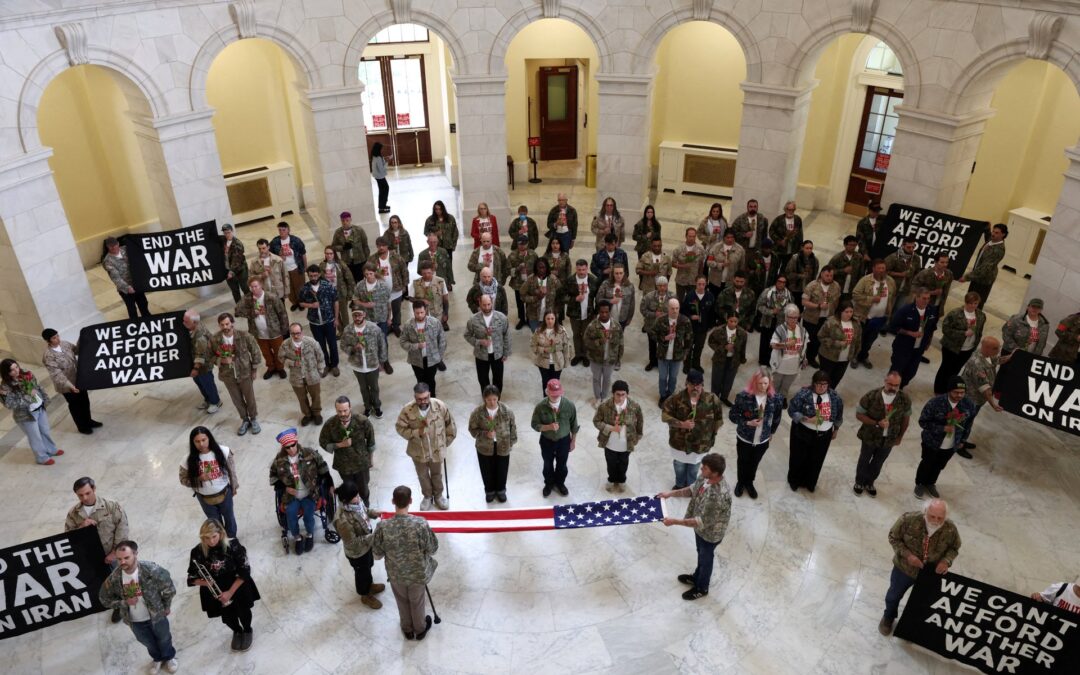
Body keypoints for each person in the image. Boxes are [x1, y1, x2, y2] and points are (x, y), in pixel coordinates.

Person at [879, 499, 961, 636]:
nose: (935, 520)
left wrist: (946, 562)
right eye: (932, 516)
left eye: (940, 518)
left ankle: (911, 624)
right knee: (893, 596)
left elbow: (954, 548)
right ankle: (888, 617)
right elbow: (893, 537)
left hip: (930, 572)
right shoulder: (908, 520)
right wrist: (908, 555)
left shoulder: (950, 529)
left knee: (922, 601)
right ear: (925, 512)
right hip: (904, 568)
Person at [656, 453, 732, 601]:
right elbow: (691, 490)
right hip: (701, 529)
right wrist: (669, 494)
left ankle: (702, 588)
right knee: (701, 553)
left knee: (705, 559)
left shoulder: (717, 495)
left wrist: (674, 521)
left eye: (704, 468)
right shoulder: (705, 477)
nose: (700, 469)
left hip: (710, 533)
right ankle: (696, 576)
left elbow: (700, 521)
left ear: (715, 473)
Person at [98, 540, 178, 673]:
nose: (122, 562)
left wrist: (166, 605)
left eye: (126, 557)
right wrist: (123, 602)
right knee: (147, 642)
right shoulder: (115, 578)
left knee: (164, 638)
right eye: (119, 559)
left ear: (135, 554)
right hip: (135, 621)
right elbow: (103, 598)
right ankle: (157, 658)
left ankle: (169, 656)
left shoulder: (151, 570)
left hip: (157, 615)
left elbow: (169, 588)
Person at [372, 485, 439, 641]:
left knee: (402, 601)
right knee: (417, 601)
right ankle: (420, 629)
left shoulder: (383, 526)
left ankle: (407, 629)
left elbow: (377, 554)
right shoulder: (420, 524)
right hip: (417, 573)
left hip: (396, 573)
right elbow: (432, 548)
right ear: (410, 501)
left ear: (392, 501)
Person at [186, 519, 260, 651]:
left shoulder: (233, 545)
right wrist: (205, 582)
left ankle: (247, 630)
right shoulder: (197, 551)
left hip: (236, 584)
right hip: (215, 589)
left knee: (243, 612)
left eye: (214, 536)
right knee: (227, 617)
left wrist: (230, 592)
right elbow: (191, 578)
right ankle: (237, 631)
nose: (211, 541)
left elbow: (245, 570)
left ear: (220, 533)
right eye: (206, 538)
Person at [65, 476, 129, 623]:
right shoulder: (74, 514)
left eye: (87, 493)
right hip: (92, 556)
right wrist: (81, 526)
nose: (85, 498)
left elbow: (122, 528)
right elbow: (68, 537)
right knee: (105, 581)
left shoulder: (111, 506)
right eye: (80, 495)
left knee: (124, 578)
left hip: (114, 553)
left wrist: (115, 553)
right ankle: (116, 603)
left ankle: (129, 604)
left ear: (94, 489)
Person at [271, 427, 332, 554]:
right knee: (291, 516)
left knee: (309, 515)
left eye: (293, 445)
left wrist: (329, 483)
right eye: (287, 447)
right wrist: (284, 488)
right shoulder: (279, 460)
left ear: (297, 442)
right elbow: (273, 476)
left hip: (309, 494)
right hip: (291, 497)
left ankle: (310, 534)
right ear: (284, 448)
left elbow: (323, 468)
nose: (291, 449)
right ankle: (297, 537)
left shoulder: (310, 453)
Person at [395, 383, 456, 510]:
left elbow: (450, 425)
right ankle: (427, 496)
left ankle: (438, 495)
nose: (423, 401)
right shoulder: (408, 410)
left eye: (425, 398)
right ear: (414, 397)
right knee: (422, 475)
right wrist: (416, 433)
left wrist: (445, 443)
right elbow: (400, 428)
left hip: (436, 449)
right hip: (418, 451)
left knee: (437, 474)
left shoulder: (440, 406)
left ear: (430, 394)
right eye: (419, 399)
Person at [915, 377, 977, 499]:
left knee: (939, 465)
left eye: (962, 392)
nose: (959, 395)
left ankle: (931, 483)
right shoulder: (935, 403)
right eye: (956, 392)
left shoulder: (968, 404)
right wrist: (942, 428)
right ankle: (920, 484)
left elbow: (968, 424)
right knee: (927, 463)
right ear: (949, 391)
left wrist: (962, 441)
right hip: (932, 442)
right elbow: (923, 422)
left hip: (951, 444)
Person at [728, 367, 784, 499]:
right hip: (745, 438)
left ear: (770, 383)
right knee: (743, 461)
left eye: (766, 383)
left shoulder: (776, 399)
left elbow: (776, 418)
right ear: (754, 382)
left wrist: (771, 432)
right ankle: (741, 482)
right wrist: (748, 422)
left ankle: (749, 483)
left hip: (762, 440)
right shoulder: (743, 396)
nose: (763, 386)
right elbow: (732, 415)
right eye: (760, 383)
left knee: (754, 462)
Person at [853, 371, 911, 497]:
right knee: (864, 459)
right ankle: (859, 482)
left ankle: (870, 482)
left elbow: (906, 419)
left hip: (890, 438)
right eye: (890, 384)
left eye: (896, 385)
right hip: (870, 435)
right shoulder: (872, 396)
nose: (893, 388)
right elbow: (859, 415)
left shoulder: (904, 399)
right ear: (885, 382)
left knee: (878, 462)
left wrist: (900, 437)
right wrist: (876, 423)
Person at [662, 370, 723, 489]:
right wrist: (681, 424)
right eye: (692, 384)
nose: (695, 388)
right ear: (686, 384)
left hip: (700, 445)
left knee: (694, 468)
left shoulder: (712, 399)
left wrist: (711, 434)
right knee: (679, 466)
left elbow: (719, 419)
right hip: (680, 443)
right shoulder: (676, 398)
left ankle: (690, 487)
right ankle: (679, 485)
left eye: (698, 385)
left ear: (702, 384)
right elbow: (665, 416)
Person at [786, 370, 844, 493]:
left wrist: (836, 429)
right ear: (813, 383)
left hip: (824, 435)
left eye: (824, 384)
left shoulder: (834, 397)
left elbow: (839, 414)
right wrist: (806, 419)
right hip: (803, 432)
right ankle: (794, 481)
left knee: (816, 459)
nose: (821, 387)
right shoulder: (803, 394)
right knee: (798, 457)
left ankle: (810, 482)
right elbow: (792, 410)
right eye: (818, 384)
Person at [179, 426, 240, 538]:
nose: (201, 444)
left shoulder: (223, 451)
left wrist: (234, 487)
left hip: (224, 493)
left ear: (209, 439)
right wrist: (198, 479)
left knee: (229, 517)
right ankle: (220, 540)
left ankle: (232, 538)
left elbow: (232, 471)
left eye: (203, 440)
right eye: (197, 441)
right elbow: (183, 480)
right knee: (214, 522)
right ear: (192, 442)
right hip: (204, 497)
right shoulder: (187, 459)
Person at [333, 480, 385, 609]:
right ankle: (365, 595)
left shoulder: (355, 501)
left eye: (357, 495)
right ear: (346, 500)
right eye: (355, 496)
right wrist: (373, 536)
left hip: (366, 545)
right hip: (357, 552)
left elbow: (364, 511)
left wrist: (374, 513)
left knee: (368, 566)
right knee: (362, 573)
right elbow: (352, 542)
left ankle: (370, 585)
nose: (358, 497)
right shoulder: (343, 520)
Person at [0, 359, 63, 465]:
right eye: (12, 370)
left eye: (17, 367)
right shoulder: (5, 387)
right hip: (26, 415)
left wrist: (45, 398)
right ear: (6, 373)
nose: (16, 371)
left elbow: (37, 386)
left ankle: (51, 449)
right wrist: (29, 396)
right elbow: (10, 404)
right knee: (35, 437)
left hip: (39, 408)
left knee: (45, 431)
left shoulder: (26, 373)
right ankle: (42, 458)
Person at [209, 312, 262, 435]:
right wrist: (221, 360)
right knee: (236, 400)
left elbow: (255, 353)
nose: (225, 327)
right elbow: (209, 356)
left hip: (244, 373)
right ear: (219, 326)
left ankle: (253, 419)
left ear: (232, 323)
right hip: (228, 375)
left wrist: (254, 370)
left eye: (227, 324)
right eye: (222, 325)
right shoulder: (215, 339)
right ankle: (244, 420)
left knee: (250, 398)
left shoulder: (244, 336)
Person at [40, 329, 100, 434]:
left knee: (84, 401)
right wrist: (70, 386)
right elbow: (56, 374)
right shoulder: (48, 356)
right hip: (66, 386)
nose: (58, 339)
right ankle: (82, 426)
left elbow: (77, 350)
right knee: (75, 405)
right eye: (54, 338)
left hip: (78, 379)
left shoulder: (65, 344)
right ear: (48, 340)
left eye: (58, 336)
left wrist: (82, 338)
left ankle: (88, 421)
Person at [957, 336, 1006, 460]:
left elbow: (997, 360)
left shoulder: (987, 356)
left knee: (969, 421)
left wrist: (1012, 356)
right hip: (970, 399)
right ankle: (958, 445)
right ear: (986, 348)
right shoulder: (977, 363)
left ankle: (963, 439)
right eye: (996, 348)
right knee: (962, 422)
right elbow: (985, 388)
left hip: (977, 400)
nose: (998, 350)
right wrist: (993, 404)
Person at [467, 385, 518, 502]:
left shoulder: (507, 410)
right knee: (486, 469)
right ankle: (489, 490)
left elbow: (512, 427)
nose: (492, 402)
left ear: (498, 398)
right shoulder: (477, 412)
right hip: (484, 446)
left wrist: (512, 442)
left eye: (494, 399)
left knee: (502, 468)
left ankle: (501, 490)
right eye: (489, 399)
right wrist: (485, 434)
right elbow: (472, 429)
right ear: (484, 399)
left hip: (503, 444)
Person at [320, 395, 376, 503]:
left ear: (350, 407)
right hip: (343, 465)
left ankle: (365, 506)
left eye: (345, 410)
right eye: (339, 411)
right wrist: (339, 445)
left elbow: (371, 441)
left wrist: (371, 459)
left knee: (363, 489)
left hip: (361, 463)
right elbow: (323, 442)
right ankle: (352, 509)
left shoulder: (362, 421)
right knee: (349, 490)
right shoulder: (330, 424)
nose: (342, 414)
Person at [530, 378, 579, 497]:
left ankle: (560, 483)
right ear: (547, 392)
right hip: (547, 441)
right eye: (553, 394)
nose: (555, 397)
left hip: (564, 440)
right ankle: (549, 484)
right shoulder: (541, 407)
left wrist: (573, 442)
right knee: (548, 464)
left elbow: (574, 425)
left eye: (558, 394)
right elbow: (534, 424)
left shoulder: (569, 405)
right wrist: (548, 427)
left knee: (562, 464)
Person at [593, 380, 644, 493]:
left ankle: (621, 480)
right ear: (613, 393)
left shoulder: (634, 406)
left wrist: (639, 435)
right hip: (610, 442)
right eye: (617, 394)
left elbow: (640, 421)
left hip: (626, 442)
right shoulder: (605, 406)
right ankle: (611, 479)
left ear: (627, 394)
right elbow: (596, 421)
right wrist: (611, 428)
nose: (620, 398)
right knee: (610, 463)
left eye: (623, 394)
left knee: (623, 463)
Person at [234, 278, 289, 380]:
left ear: (261, 286)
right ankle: (271, 368)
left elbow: (282, 313)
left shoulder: (271, 297)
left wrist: (284, 330)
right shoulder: (247, 299)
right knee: (266, 352)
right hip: (258, 332)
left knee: (279, 351)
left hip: (275, 331)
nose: (254, 289)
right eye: (252, 287)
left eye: (256, 286)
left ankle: (280, 368)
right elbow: (237, 311)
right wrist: (251, 313)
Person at [341, 305, 390, 418]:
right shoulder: (348, 330)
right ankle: (367, 407)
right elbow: (343, 345)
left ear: (364, 314)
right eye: (354, 315)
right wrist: (353, 348)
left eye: (359, 315)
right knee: (363, 389)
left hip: (372, 364)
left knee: (374, 388)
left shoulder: (374, 328)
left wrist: (382, 362)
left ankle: (377, 406)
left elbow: (382, 345)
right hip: (357, 365)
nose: (357, 317)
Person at [933, 292, 985, 394]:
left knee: (956, 369)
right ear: (966, 302)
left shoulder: (981, 315)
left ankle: (948, 389)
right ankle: (939, 389)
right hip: (951, 347)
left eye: (975, 303)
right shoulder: (955, 313)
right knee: (946, 368)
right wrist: (963, 333)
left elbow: (979, 331)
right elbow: (946, 329)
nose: (973, 306)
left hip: (967, 348)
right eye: (971, 303)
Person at [851, 260, 897, 369]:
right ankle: (855, 356)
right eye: (879, 268)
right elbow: (855, 295)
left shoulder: (890, 281)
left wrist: (888, 313)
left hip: (880, 318)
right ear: (873, 268)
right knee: (860, 339)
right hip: (864, 317)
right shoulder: (865, 280)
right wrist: (871, 299)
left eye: (883, 268)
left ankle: (863, 356)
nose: (882, 270)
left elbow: (893, 296)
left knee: (870, 339)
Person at [889, 288, 939, 387]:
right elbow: (893, 327)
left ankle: (901, 387)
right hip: (903, 346)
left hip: (919, 348)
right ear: (917, 297)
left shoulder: (932, 310)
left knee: (911, 372)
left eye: (928, 298)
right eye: (924, 298)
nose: (926, 301)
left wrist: (928, 342)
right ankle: (890, 388)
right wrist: (909, 333)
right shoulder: (905, 310)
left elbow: (932, 327)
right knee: (896, 371)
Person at [464, 292, 511, 393]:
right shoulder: (473, 320)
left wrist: (506, 352)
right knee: (483, 379)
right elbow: (467, 335)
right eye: (484, 305)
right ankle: (486, 399)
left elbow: (506, 335)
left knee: (498, 379)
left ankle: (496, 399)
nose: (486, 307)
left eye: (489, 304)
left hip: (497, 354)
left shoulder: (501, 318)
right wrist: (479, 341)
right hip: (481, 355)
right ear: (479, 304)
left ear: (492, 303)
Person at [279, 323, 325, 426]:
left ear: (302, 332)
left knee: (316, 396)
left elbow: (320, 355)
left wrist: (320, 370)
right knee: (301, 398)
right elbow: (281, 358)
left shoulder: (311, 342)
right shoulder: (285, 345)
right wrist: (292, 363)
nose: (296, 336)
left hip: (312, 375)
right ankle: (307, 414)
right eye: (293, 333)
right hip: (296, 377)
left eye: (298, 333)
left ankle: (317, 413)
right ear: (290, 333)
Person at [654, 297, 694, 406]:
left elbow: (689, 338)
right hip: (663, 354)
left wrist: (685, 353)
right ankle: (663, 395)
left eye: (677, 308)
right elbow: (653, 334)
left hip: (677, 355)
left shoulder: (685, 321)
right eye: (672, 308)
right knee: (662, 377)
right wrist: (664, 338)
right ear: (668, 308)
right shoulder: (661, 320)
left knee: (673, 377)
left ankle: (670, 395)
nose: (675, 311)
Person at [400, 302, 446, 397]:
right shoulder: (408, 325)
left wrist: (439, 356)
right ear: (413, 312)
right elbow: (403, 342)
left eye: (422, 312)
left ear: (426, 311)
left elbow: (442, 340)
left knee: (431, 380)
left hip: (432, 359)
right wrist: (416, 346)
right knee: (420, 381)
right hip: (416, 360)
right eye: (417, 313)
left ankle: (432, 398)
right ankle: (422, 399)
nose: (420, 315)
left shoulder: (434, 322)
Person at [583, 300, 624, 404]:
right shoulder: (592, 326)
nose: (604, 314)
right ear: (599, 312)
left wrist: (618, 359)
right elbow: (586, 342)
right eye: (602, 312)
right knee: (596, 379)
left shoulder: (616, 326)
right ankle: (597, 398)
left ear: (610, 312)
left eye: (606, 312)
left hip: (610, 359)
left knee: (607, 379)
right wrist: (599, 341)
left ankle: (604, 397)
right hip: (595, 359)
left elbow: (621, 343)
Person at [184, 310, 225, 413]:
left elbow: (200, 355)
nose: (183, 323)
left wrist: (195, 369)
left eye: (186, 322)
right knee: (199, 382)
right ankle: (207, 400)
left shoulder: (200, 337)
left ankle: (215, 402)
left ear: (194, 323)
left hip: (203, 365)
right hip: (195, 361)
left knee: (207, 383)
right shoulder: (195, 326)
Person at [960, 223, 1008, 309]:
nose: (993, 234)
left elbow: (984, 269)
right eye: (993, 231)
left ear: (1003, 235)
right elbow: (988, 236)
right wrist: (986, 227)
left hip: (983, 279)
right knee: (970, 298)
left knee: (976, 302)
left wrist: (967, 277)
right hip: (977, 276)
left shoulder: (997, 250)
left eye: (997, 233)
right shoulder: (992, 240)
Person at [102, 236, 151, 318]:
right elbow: (116, 278)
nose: (113, 247)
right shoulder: (108, 261)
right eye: (111, 246)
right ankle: (136, 325)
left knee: (143, 303)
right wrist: (127, 287)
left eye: (114, 245)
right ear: (107, 247)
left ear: (118, 243)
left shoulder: (125, 249)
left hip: (136, 283)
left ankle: (148, 319)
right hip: (125, 289)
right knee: (132, 309)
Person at [369, 236, 409, 336]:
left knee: (396, 310)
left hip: (395, 289)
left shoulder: (396, 257)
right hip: (380, 291)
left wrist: (405, 285)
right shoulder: (372, 259)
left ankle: (396, 326)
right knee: (383, 310)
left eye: (383, 245)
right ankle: (386, 326)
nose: (381, 248)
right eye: (379, 246)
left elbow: (404, 270)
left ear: (387, 246)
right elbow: (368, 272)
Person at [816, 300, 861, 388]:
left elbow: (858, 340)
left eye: (851, 311)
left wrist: (854, 354)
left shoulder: (856, 323)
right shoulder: (831, 322)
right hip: (828, 357)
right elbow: (821, 336)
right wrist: (836, 343)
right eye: (846, 312)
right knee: (823, 379)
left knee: (836, 378)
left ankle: (830, 395)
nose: (849, 314)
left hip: (845, 358)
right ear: (840, 311)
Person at [801, 264, 839, 368]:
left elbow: (837, 302)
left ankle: (811, 358)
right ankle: (801, 358)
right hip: (811, 318)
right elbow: (804, 302)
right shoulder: (812, 286)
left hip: (826, 319)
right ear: (821, 274)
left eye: (831, 275)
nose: (829, 277)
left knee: (818, 341)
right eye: (827, 275)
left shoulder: (836, 286)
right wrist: (818, 306)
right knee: (808, 340)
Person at [530, 309, 574, 396]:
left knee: (555, 384)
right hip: (543, 363)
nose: (550, 321)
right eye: (548, 318)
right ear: (544, 319)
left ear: (555, 319)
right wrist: (543, 350)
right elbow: (533, 346)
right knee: (545, 383)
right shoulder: (538, 331)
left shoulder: (561, 331)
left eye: (552, 318)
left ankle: (555, 400)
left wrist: (566, 362)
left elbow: (566, 347)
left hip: (557, 362)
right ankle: (546, 401)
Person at [564, 259, 600, 366]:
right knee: (576, 335)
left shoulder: (593, 280)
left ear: (587, 268)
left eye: (583, 269)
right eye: (579, 270)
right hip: (574, 314)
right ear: (576, 268)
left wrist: (596, 312)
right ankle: (578, 354)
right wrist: (574, 299)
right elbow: (562, 296)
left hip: (588, 313)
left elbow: (598, 297)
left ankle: (585, 355)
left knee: (586, 335)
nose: (581, 272)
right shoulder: (570, 280)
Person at [769, 304, 808, 399]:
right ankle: (772, 398)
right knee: (776, 383)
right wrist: (786, 344)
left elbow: (804, 345)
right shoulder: (780, 329)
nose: (794, 320)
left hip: (794, 365)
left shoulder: (802, 330)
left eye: (796, 317)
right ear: (786, 317)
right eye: (791, 317)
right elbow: (773, 345)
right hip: (781, 364)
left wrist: (804, 358)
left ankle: (782, 398)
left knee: (787, 384)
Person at [708, 313, 747, 406]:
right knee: (716, 380)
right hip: (720, 359)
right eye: (731, 321)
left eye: (735, 321)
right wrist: (723, 347)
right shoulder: (718, 331)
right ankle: (714, 398)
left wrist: (742, 358)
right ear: (727, 319)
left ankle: (724, 397)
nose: (733, 324)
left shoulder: (742, 333)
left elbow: (743, 347)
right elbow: (711, 342)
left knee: (729, 380)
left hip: (733, 360)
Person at [682, 275, 716, 374]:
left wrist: (710, 326)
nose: (701, 286)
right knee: (688, 347)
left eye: (703, 284)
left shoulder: (710, 296)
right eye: (699, 284)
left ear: (706, 284)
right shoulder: (689, 296)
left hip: (703, 329)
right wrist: (690, 316)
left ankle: (696, 364)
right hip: (690, 328)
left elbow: (712, 313)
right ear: (695, 283)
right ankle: (686, 365)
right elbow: (683, 311)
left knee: (699, 347)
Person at [755, 274, 791, 366]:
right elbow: (759, 306)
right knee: (765, 341)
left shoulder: (788, 294)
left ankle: (772, 360)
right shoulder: (768, 291)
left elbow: (791, 308)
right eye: (779, 281)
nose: (781, 284)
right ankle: (763, 360)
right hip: (767, 320)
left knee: (775, 342)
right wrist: (771, 311)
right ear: (776, 281)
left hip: (780, 322)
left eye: (784, 282)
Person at [269, 221, 307, 311]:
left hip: (296, 268)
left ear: (288, 230)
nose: (282, 232)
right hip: (283, 270)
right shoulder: (275, 242)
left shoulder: (296, 240)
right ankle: (294, 302)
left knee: (299, 287)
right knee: (288, 288)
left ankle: (301, 303)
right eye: (280, 230)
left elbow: (303, 253)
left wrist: (305, 266)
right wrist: (279, 256)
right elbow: (271, 255)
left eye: (284, 230)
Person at [641, 275, 675, 371]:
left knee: (664, 345)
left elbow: (676, 311)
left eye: (664, 285)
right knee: (652, 345)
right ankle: (652, 362)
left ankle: (662, 363)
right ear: (656, 286)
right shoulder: (649, 297)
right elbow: (642, 310)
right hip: (651, 326)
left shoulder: (672, 297)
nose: (662, 288)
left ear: (667, 285)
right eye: (660, 285)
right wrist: (654, 314)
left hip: (665, 327)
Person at [320, 245, 355, 334]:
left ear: (334, 254)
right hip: (329, 294)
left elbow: (350, 279)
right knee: (335, 313)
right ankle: (340, 330)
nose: (329, 255)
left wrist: (350, 293)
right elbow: (320, 279)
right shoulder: (322, 265)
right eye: (327, 253)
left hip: (341, 292)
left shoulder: (341, 264)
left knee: (344, 313)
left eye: (331, 253)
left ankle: (347, 330)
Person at [424, 200, 459, 288]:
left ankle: (449, 282)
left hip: (448, 246)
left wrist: (453, 245)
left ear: (443, 209)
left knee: (448, 264)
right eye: (436, 209)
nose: (438, 211)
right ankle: (437, 282)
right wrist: (435, 235)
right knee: (436, 264)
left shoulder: (450, 218)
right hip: (436, 247)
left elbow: (455, 232)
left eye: (440, 209)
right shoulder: (430, 220)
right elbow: (426, 232)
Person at [523, 256, 563, 331]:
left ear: (547, 268)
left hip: (549, 316)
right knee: (537, 337)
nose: (541, 270)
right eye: (539, 267)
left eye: (543, 267)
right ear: (535, 268)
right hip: (534, 315)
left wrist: (556, 310)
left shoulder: (553, 279)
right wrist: (535, 298)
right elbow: (522, 295)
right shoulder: (530, 279)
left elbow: (561, 295)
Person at [507, 236, 538, 329]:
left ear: (527, 244)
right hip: (518, 284)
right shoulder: (512, 255)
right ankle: (522, 319)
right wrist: (517, 268)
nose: (522, 246)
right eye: (520, 244)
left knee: (529, 302)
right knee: (520, 303)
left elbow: (538, 268)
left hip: (530, 283)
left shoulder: (533, 255)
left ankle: (529, 319)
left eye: (524, 244)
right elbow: (509, 271)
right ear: (517, 244)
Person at [355, 262, 393, 337]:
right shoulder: (360, 285)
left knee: (382, 341)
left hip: (381, 318)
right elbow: (355, 300)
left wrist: (389, 318)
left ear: (375, 272)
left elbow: (388, 303)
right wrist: (364, 304)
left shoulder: (384, 286)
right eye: (366, 274)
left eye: (370, 273)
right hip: (367, 319)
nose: (368, 276)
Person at [884, 236, 922, 309]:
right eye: (908, 247)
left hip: (905, 290)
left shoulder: (916, 258)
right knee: (887, 311)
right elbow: (883, 272)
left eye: (913, 247)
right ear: (903, 245)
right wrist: (900, 274)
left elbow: (917, 273)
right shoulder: (893, 257)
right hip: (891, 289)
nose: (911, 249)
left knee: (898, 311)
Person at [332, 211, 371, 281]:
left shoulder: (359, 230)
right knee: (350, 280)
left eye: (347, 220)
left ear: (350, 220)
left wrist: (366, 259)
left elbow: (365, 245)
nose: (345, 222)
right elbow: (333, 246)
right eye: (343, 221)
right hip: (347, 262)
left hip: (360, 260)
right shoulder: (338, 232)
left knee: (360, 280)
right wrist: (343, 247)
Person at [705, 230, 744, 298]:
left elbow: (742, 266)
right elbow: (708, 262)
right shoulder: (715, 247)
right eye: (728, 237)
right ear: (724, 237)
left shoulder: (740, 249)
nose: (730, 239)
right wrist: (720, 265)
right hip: (715, 281)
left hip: (730, 283)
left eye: (732, 237)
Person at [249, 238, 289, 304]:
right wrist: (261, 276)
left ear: (268, 247)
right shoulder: (254, 262)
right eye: (259, 249)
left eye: (263, 248)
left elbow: (285, 276)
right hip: (264, 294)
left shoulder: (278, 260)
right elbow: (250, 278)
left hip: (278, 292)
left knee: (281, 312)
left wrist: (286, 291)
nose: (261, 250)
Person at [596, 263, 634, 329]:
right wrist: (610, 301)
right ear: (613, 274)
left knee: (619, 337)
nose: (619, 276)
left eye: (620, 273)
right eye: (616, 273)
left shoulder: (629, 286)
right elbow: (598, 299)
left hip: (622, 318)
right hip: (607, 317)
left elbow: (632, 304)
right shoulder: (606, 284)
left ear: (624, 273)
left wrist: (629, 318)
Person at [769, 200, 803, 271]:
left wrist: (800, 247)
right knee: (774, 268)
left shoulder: (797, 219)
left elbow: (800, 234)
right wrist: (779, 241)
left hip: (792, 250)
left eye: (792, 210)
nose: (790, 211)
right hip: (779, 250)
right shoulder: (779, 219)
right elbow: (771, 231)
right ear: (785, 209)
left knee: (786, 269)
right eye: (789, 209)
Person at [672, 227, 704, 300]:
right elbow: (673, 263)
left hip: (693, 280)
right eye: (690, 236)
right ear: (686, 236)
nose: (692, 238)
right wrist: (682, 266)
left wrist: (700, 277)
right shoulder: (678, 249)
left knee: (692, 301)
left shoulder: (700, 249)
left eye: (693, 236)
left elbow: (701, 263)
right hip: (681, 280)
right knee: (679, 300)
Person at [828, 235, 864, 302]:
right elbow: (829, 272)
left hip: (852, 289)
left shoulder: (859, 257)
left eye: (854, 245)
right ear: (845, 245)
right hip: (838, 288)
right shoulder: (837, 258)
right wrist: (843, 271)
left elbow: (861, 274)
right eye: (850, 245)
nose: (853, 247)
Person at [784, 239, 818, 308]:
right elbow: (788, 273)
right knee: (791, 308)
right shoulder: (795, 258)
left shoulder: (815, 260)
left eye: (810, 248)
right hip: (794, 289)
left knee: (800, 309)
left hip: (806, 290)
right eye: (807, 248)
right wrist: (800, 276)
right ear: (802, 248)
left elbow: (814, 276)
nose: (809, 250)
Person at [221, 223, 248, 303]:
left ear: (232, 231)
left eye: (228, 232)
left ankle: (251, 306)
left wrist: (231, 272)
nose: (227, 235)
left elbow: (237, 260)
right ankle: (240, 307)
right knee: (234, 290)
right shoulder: (223, 241)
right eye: (225, 233)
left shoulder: (237, 244)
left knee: (245, 288)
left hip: (240, 270)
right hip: (228, 270)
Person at [371, 142, 391, 213]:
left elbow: (379, 164)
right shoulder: (378, 158)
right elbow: (381, 169)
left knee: (382, 190)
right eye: (381, 149)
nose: (382, 150)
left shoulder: (374, 156)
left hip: (377, 176)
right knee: (385, 189)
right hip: (380, 176)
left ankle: (382, 206)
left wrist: (384, 159)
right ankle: (382, 207)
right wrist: (387, 162)